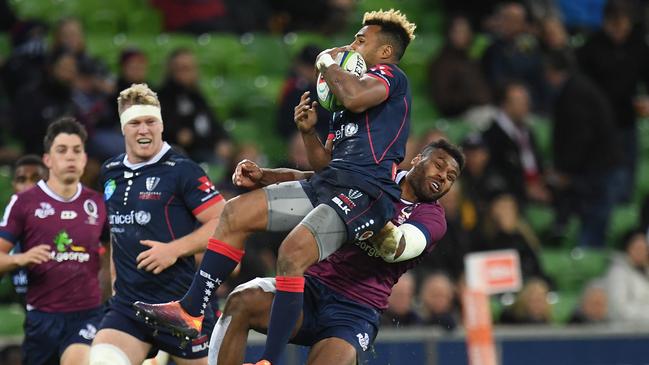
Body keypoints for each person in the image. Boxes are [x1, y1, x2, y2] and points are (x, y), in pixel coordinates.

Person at [133, 9, 417, 365]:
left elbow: (354, 96)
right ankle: (190, 310)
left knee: (292, 252)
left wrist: (327, 62)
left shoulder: (389, 77)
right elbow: (324, 164)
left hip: (367, 195)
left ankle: (269, 359)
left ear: (385, 52)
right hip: (331, 184)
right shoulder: (347, 105)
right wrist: (307, 132)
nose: (351, 45)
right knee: (235, 211)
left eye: (361, 40)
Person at [207, 139, 463, 365]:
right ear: (418, 159)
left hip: (356, 310)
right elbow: (324, 181)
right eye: (439, 165)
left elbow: (394, 248)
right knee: (241, 299)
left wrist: (360, 204)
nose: (443, 177)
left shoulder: (433, 218)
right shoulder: (377, 174)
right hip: (310, 290)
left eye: (451, 177)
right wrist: (266, 176)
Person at [89, 83, 225, 365]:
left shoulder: (182, 170)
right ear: (123, 128)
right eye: (135, 123)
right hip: (128, 307)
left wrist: (174, 249)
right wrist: (115, 283)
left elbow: (223, 220)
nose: (143, 130)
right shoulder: (110, 172)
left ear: (161, 125)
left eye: (151, 121)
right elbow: (118, 233)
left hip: (179, 308)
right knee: (102, 359)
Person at [0, 118, 109, 365]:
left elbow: (113, 252)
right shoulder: (24, 203)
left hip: (87, 316)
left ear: (84, 159)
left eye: (77, 151)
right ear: (47, 160)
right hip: (41, 319)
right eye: (62, 150)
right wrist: (21, 258)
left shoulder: (99, 204)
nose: (70, 157)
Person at [158, 48, 230, 163]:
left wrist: (222, 140)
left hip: (206, 148)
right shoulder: (164, 97)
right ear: (171, 71)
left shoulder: (196, 96)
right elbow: (181, 136)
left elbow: (213, 123)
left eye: (190, 68)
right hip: (184, 154)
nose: (187, 73)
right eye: (182, 69)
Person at [7, 155, 48, 304]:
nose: (29, 186)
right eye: (22, 180)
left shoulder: (67, 225)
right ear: (13, 186)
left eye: (36, 179)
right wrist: (19, 259)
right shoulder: (5, 231)